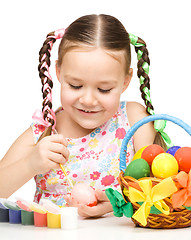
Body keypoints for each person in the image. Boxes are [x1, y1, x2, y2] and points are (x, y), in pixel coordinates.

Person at [0, 14, 166, 218]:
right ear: (59, 72)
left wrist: (119, 201)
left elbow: (164, 188)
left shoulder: (134, 121)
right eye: (75, 85)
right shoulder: (44, 133)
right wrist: (30, 164)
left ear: (125, 81)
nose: (88, 100)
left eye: (104, 89)